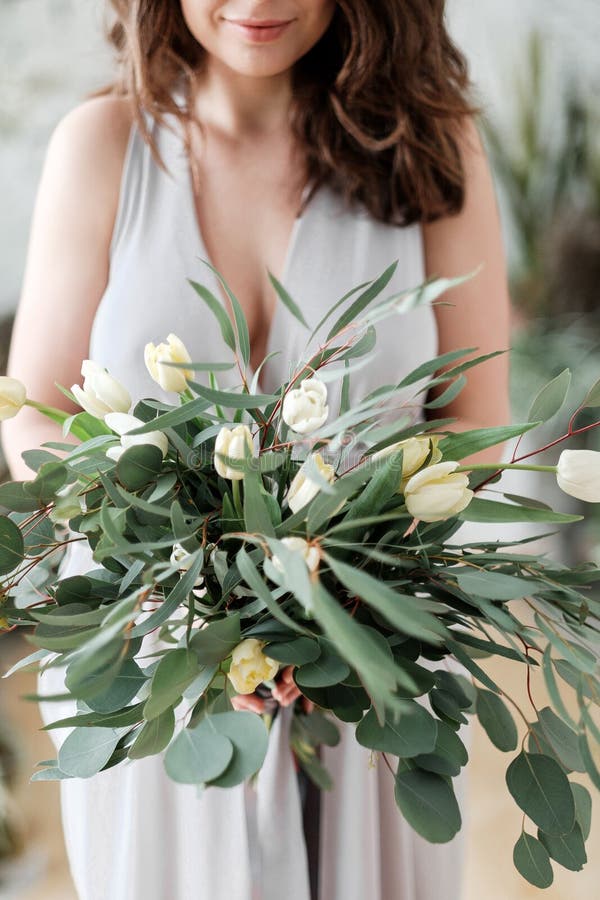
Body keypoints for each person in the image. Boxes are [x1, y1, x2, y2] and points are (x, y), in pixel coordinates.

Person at [2, 1, 510, 898]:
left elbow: (476, 422)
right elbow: (31, 411)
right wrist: (189, 571)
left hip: (372, 663)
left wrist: (343, 576)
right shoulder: (103, 145)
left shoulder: (434, 146)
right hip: (163, 675)